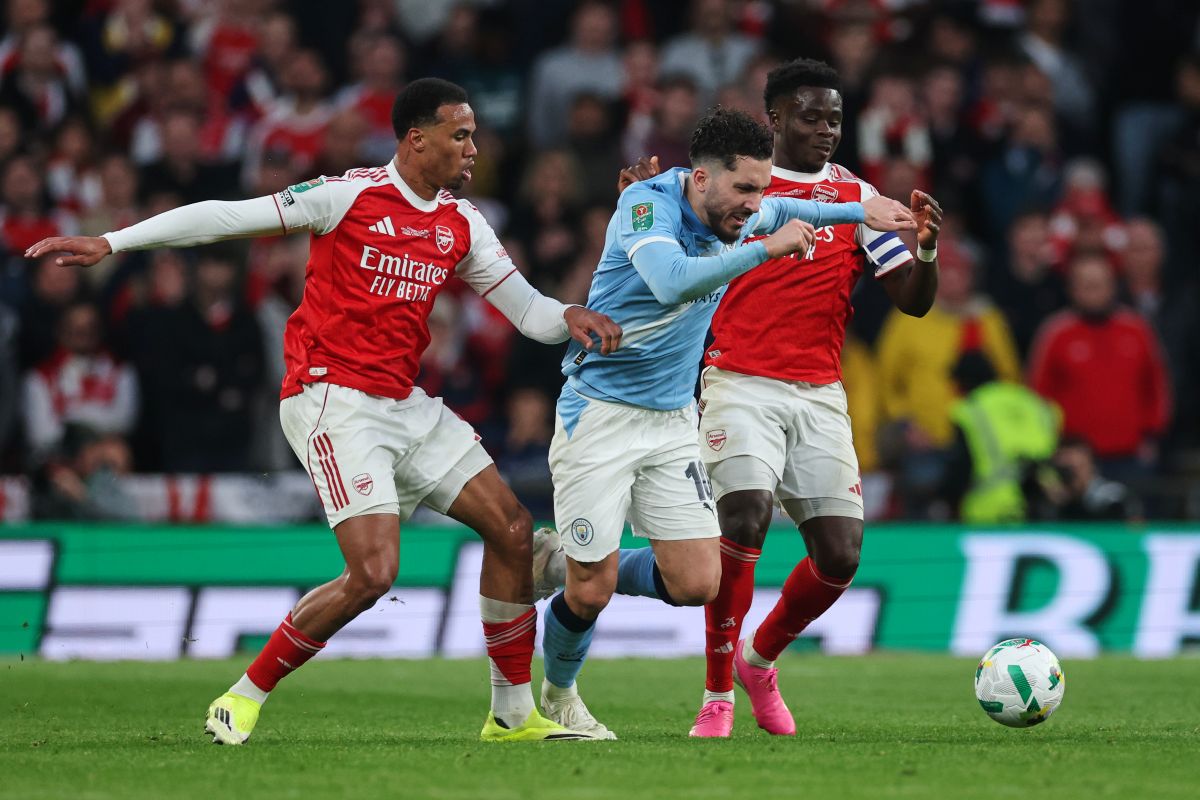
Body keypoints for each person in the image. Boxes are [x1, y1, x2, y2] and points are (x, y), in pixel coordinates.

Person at [25, 78, 622, 745]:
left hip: (404, 404)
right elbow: (227, 217)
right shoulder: (347, 196)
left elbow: (527, 311)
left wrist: (569, 315)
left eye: (474, 135)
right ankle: (244, 695)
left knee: (512, 530)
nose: (473, 148)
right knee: (373, 575)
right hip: (333, 399)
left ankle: (511, 717)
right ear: (416, 138)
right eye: (460, 135)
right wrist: (114, 241)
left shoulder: (462, 223)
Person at [537, 107, 916, 739]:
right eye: (745, 189)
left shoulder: (735, 207)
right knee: (590, 591)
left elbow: (805, 213)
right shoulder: (645, 207)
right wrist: (764, 250)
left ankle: (565, 562)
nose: (755, 203)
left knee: (696, 582)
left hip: (670, 421)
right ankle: (558, 693)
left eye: (762, 190)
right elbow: (668, 282)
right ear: (702, 177)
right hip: (599, 413)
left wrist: (861, 213)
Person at [621, 59, 941, 737]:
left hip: (820, 392)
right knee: (743, 520)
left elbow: (911, 301)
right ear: (775, 118)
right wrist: (638, 205)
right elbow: (661, 262)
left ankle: (758, 662)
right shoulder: (738, 189)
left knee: (841, 555)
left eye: (835, 118)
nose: (826, 130)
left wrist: (930, 253)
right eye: (811, 116)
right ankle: (716, 697)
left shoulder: (858, 196)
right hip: (736, 381)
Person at [942, 351, 1061, 523]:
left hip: (990, 509)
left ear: (963, 381)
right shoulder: (1034, 403)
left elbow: (961, 466)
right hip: (1045, 503)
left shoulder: (971, 410)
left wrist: (949, 501)